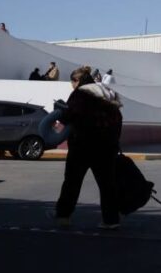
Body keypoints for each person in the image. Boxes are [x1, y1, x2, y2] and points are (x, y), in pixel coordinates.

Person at [52, 66, 123, 230]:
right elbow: (117, 118)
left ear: (76, 81)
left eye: (72, 83)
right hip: (106, 147)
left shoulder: (80, 93)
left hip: (82, 145)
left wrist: (61, 111)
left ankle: (64, 216)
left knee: (72, 182)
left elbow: (71, 116)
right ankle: (111, 219)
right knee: (107, 185)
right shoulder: (107, 91)